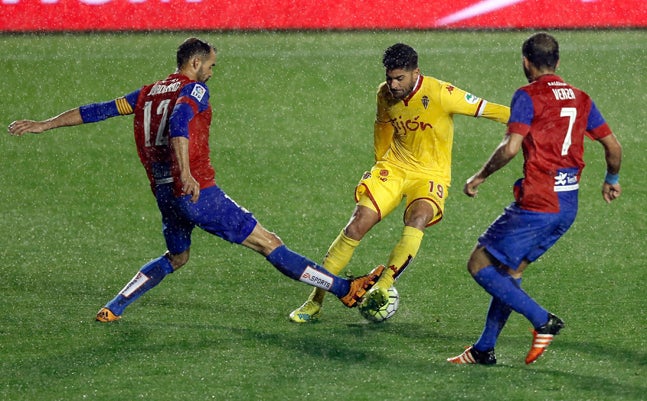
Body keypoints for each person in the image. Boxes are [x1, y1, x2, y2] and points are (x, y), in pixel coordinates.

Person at [7, 37, 383, 323]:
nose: (212, 72)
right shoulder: (195, 90)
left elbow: (99, 110)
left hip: (164, 195)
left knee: (178, 256)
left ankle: (114, 306)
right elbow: (179, 123)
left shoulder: (148, 92)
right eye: (211, 65)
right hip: (196, 191)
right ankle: (345, 289)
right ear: (196, 62)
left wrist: (46, 123)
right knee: (269, 243)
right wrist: (186, 173)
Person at [289, 43, 510, 323]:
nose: (393, 85)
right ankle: (314, 302)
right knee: (357, 224)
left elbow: (491, 110)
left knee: (418, 218)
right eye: (390, 78)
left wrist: (530, 121)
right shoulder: (384, 93)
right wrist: (380, 161)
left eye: (399, 79)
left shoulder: (442, 93)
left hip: (430, 175)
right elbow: (382, 125)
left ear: (416, 72)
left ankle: (383, 286)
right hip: (393, 168)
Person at [447, 32, 622, 365]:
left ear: (526, 62)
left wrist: (480, 176)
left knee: (479, 263)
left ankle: (543, 320)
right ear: (557, 62)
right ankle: (484, 349)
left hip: (538, 202)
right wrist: (611, 179)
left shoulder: (528, 95)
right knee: (510, 271)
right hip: (567, 206)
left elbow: (511, 147)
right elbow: (613, 147)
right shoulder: (581, 98)